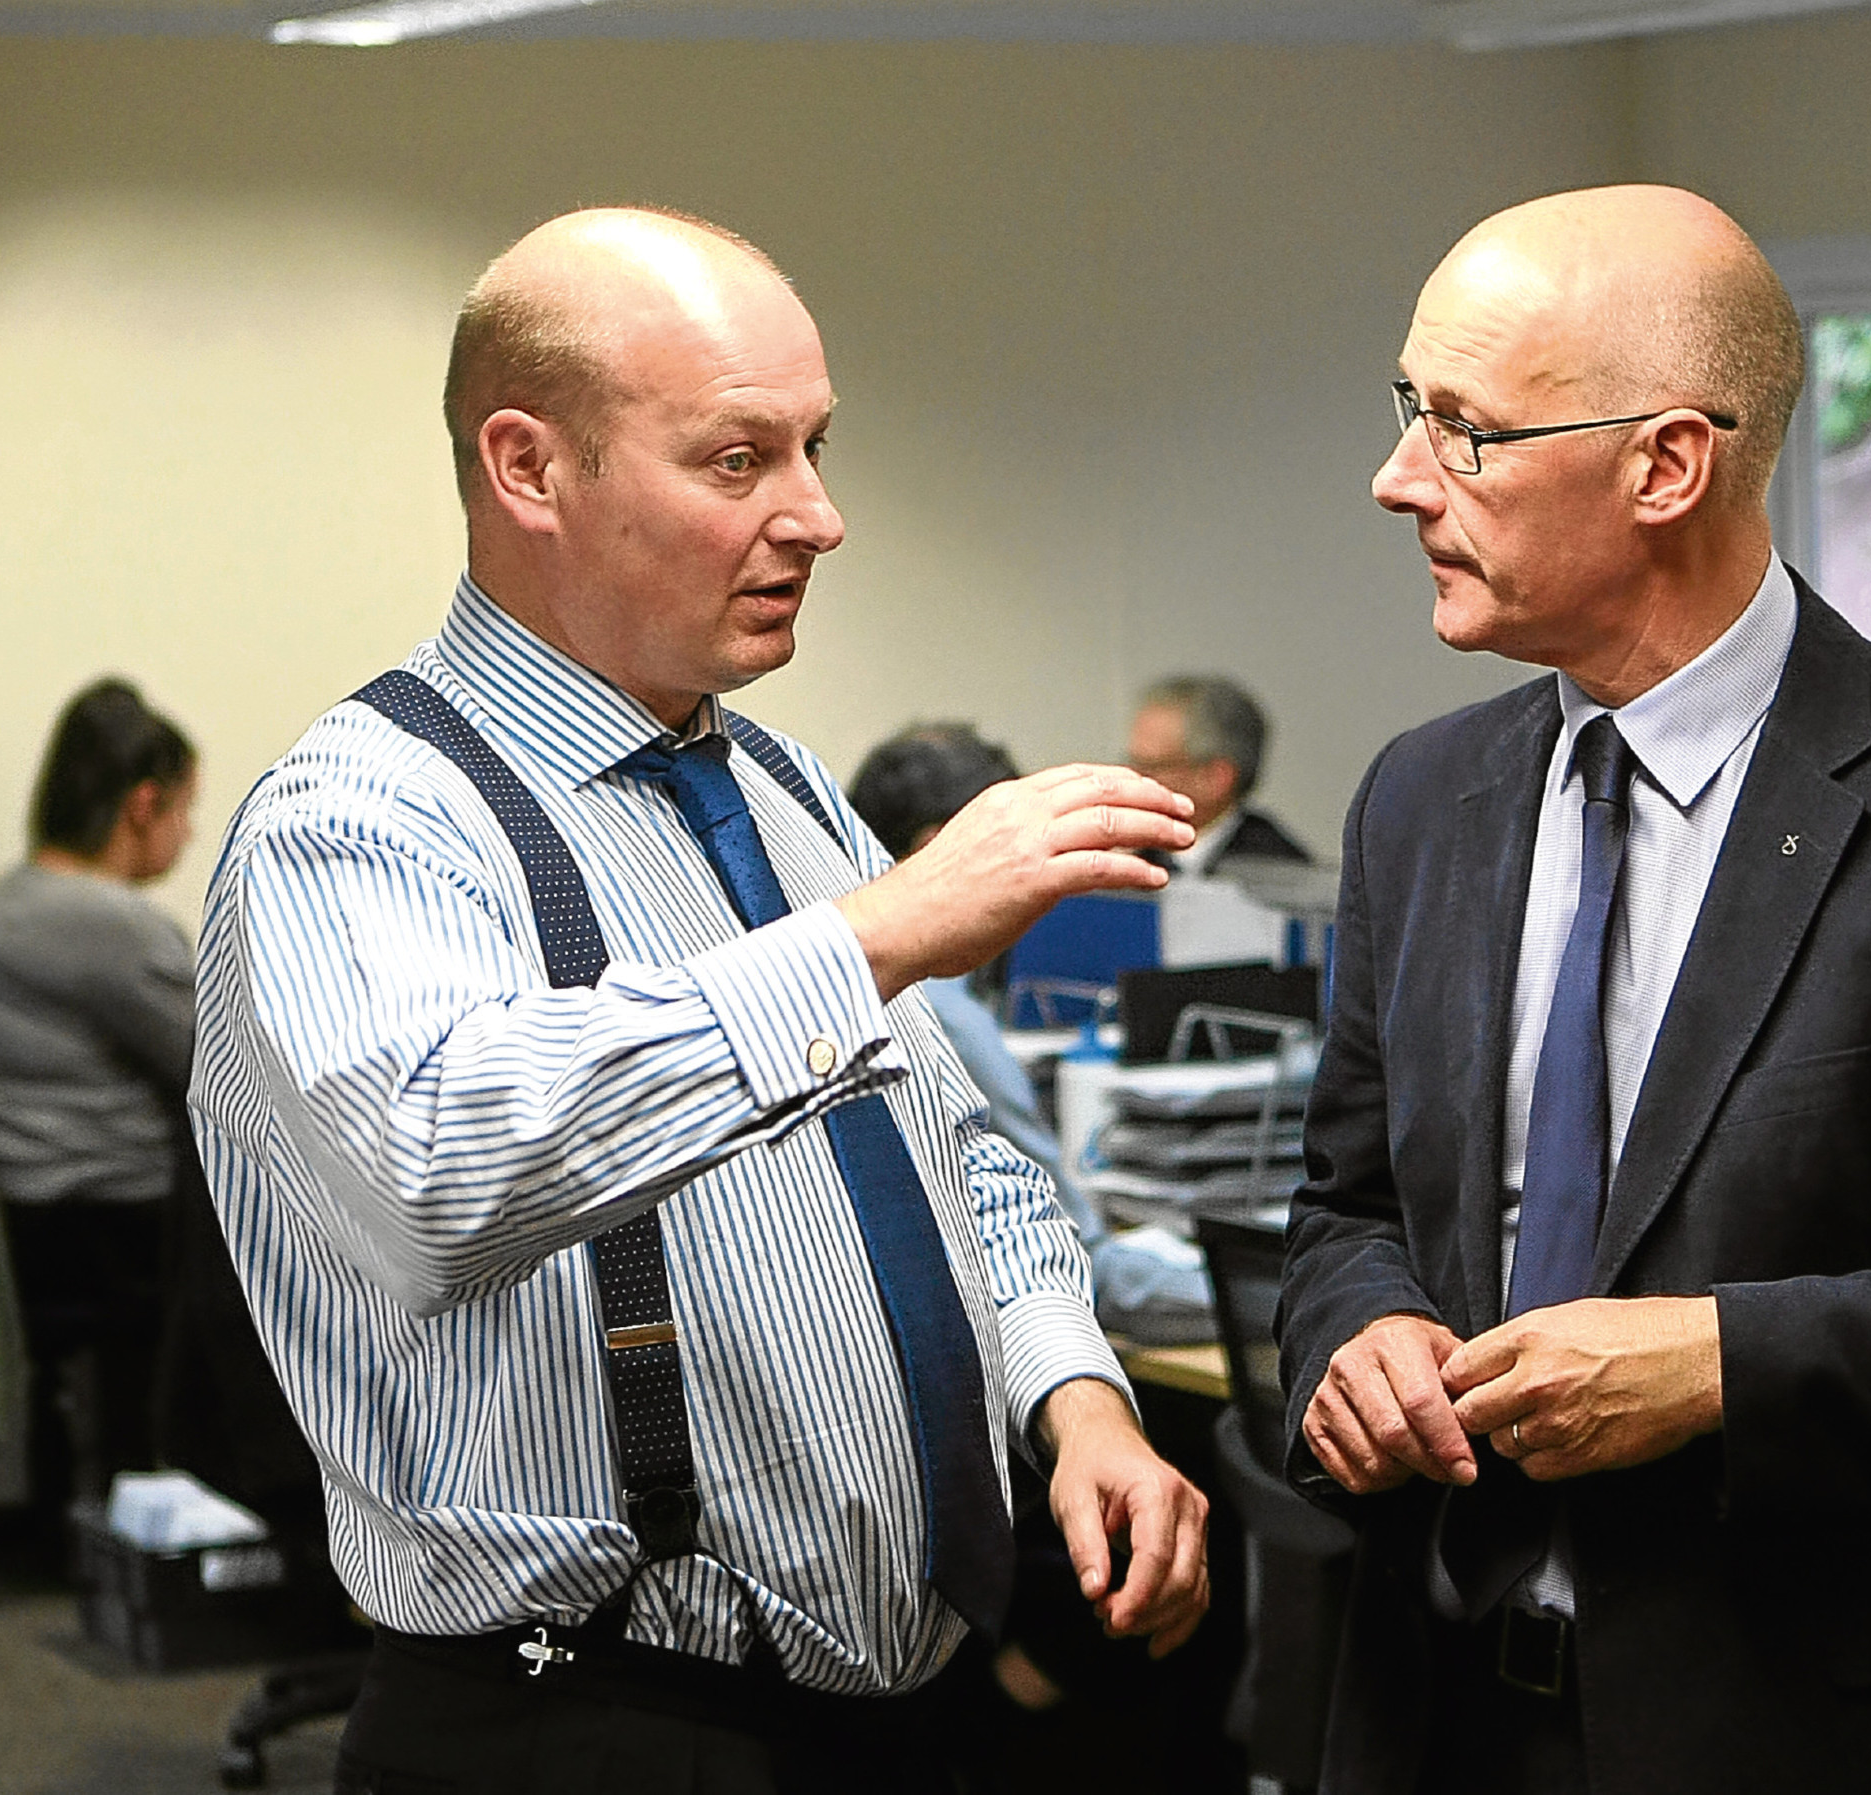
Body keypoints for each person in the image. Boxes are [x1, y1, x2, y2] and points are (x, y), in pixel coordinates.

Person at [187, 206, 1210, 1791]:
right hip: (586, 1720)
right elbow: (435, 1178)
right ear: (530, 469)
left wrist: (1076, 1396)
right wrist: (883, 930)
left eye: (814, 447)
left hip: (890, 1702)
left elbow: (963, 1155)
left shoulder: (780, 783)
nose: (819, 515)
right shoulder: (363, 819)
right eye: (739, 460)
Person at [1275, 183, 1871, 1794]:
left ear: (1666, 464)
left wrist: (1722, 1364)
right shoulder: (1422, 799)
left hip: (1838, 1732)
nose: (1399, 481)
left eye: (1465, 431)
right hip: (1451, 1710)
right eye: (1411, 413)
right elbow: (1347, 1201)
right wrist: (1360, 1324)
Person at [0, 676, 199, 1540]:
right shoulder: (107, 925)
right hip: (104, 1227)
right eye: (183, 814)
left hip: (23, 1223)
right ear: (141, 805)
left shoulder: (2, 909)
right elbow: (227, 1061)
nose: (188, 836)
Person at [847, 721, 1213, 1337]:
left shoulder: (832, 976)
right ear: (943, 845)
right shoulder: (940, 1016)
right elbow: (1085, 1267)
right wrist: (1288, 1289)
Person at [1125, 675, 1310, 873]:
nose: (1133, 779)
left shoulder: (1283, 874)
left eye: (1151, 767)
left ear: (1216, 778)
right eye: (1132, 762)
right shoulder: (1124, 854)